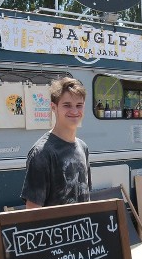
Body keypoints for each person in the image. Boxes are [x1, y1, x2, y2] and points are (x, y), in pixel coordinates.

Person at [20, 77, 91, 208]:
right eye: (67, 105)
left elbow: (86, 196)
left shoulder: (83, 147)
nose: (74, 111)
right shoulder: (42, 153)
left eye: (79, 105)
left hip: (82, 227)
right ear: (54, 107)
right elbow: (32, 212)